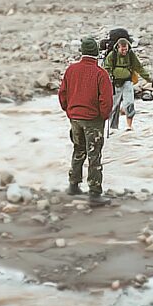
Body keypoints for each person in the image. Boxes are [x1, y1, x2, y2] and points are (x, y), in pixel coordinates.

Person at [58, 36, 113, 205]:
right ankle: (95, 192)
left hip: (75, 117)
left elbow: (62, 94)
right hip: (93, 119)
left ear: (82, 52)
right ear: (96, 52)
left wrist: (69, 111)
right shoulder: (100, 73)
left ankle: (73, 185)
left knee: (78, 150)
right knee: (94, 155)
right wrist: (103, 116)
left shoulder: (71, 70)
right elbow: (107, 100)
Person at [102, 37, 153, 131]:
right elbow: (106, 69)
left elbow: (139, 67)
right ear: (118, 48)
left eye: (126, 49)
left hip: (127, 81)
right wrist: (108, 79)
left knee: (129, 103)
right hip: (115, 83)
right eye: (122, 49)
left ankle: (129, 126)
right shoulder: (112, 55)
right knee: (114, 105)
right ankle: (113, 128)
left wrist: (150, 79)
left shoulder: (131, 55)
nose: (124, 51)